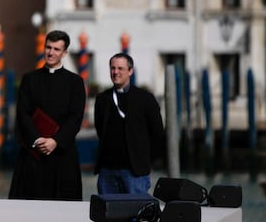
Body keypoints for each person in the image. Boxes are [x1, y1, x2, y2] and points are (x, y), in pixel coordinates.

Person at [9, 30, 85, 201]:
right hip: (33, 155)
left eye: (57, 49)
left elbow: (76, 118)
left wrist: (55, 141)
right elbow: (22, 113)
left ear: (64, 53)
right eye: (48, 47)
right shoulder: (29, 79)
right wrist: (37, 140)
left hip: (62, 155)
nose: (51, 53)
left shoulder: (75, 82)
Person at [94, 53, 165, 194]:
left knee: (137, 214)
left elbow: (157, 132)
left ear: (130, 71)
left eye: (120, 68)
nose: (116, 72)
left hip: (135, 172)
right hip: (107, 171)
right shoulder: (102, 99)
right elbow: (100, 129)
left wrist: (145, 160)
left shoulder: (145, 98)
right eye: (113, 68)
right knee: (107, 215)